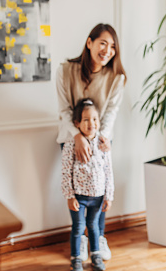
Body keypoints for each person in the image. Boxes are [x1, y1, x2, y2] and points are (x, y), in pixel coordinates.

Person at [56, 23, 126, 262]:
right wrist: (77, 137)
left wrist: (98, 139)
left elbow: (111, 114)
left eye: (113, 46)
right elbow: (64, 109)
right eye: (103, 43)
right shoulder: (65, 70)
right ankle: (82, 237)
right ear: (89, 43)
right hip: (70, 138)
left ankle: (98, 236)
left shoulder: (116, 77)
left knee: (99, 188)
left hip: (101, 140)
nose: (107, 50)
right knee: (77, 188)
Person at [61, 98, 114, 271]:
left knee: (94, 226)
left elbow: (108, 171)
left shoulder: (103, 144)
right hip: (79, 197)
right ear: (77, 123)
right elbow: (66, 172)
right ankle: (76, 258)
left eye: (94, 119)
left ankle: (96, 255)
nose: (91, 123)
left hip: (98, 197)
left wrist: (109, 196)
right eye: (86, 120)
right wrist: (69, 196)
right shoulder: (71, 145)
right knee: (78, 227)